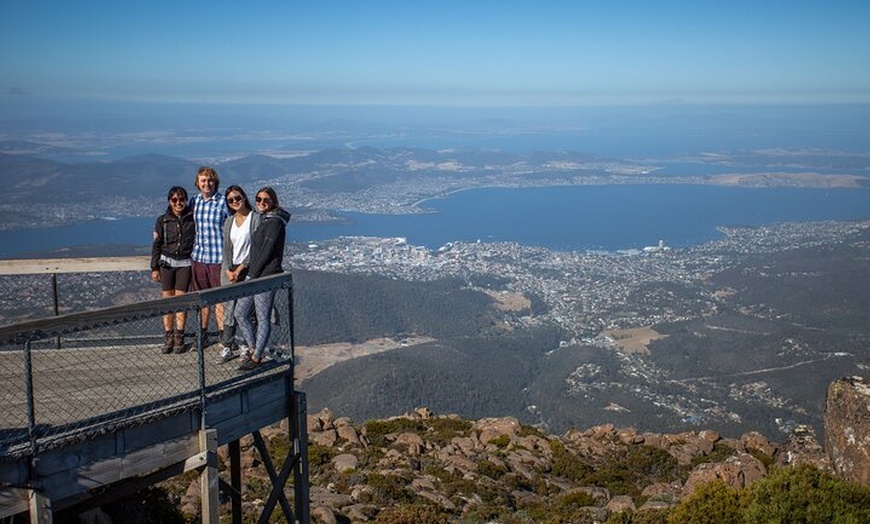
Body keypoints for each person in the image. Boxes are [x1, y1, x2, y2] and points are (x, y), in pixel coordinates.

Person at [235, 187, 291, 371]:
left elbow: (267, 251)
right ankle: (254, 350)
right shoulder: (266, 219)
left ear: (273, 201)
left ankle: (256, 356)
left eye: (266, 200)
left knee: (262, 317)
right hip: (257, 275)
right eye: (258, 199)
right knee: (241, 313)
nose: (261, 203)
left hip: (265, 276)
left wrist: (252, 274)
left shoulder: (274, 222)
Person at [217, 185, 261, 363]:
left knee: (245, 311)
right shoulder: (229, 222)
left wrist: (241, 268)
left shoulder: (255, 219)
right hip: (231, 270)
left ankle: (245, 345)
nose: (235, 201)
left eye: (237, 198)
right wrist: (228, 269)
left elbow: (256, 248)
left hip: (248, 270)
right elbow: (227, 248)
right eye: (230, 200)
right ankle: (227, 345)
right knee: (229, 309)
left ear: (244, 197)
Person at [150, 186, 195, 353]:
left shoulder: (192, 218)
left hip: (184, 264)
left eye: (181, 199)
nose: (178, 203)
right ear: (169, 201)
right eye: (174, 200)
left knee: (181, 302)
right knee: (167, 301)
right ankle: (168, 335)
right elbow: (157, 245)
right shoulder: (162, 220)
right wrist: (154, 267)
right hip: (166, 263)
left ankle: (179, 335)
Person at [190, 166, 229, 347]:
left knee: (220, 299)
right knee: (202, 298)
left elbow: (233, 224)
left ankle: (223, 335)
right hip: (198, 257)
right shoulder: (194, 201)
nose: (207, 184)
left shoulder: (222, 202)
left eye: (210, 180)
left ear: (216, 182)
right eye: (203, 180)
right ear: (197, 183)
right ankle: (202, 334)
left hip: (218, 258)